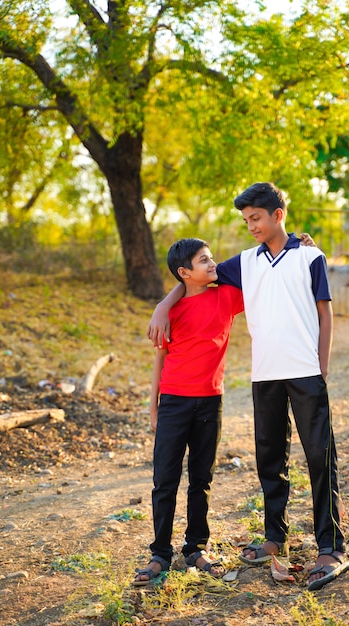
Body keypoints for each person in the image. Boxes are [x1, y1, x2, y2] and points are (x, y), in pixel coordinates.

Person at [147, 182, 349, 592]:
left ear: (279, 214)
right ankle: (276, 537)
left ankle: (330, 547)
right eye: (246, 221)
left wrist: (322, 366)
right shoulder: (244, 262)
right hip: (265, 375)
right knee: (270, 459)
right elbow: (192, 275)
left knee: (318, 456)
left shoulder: (311, 257)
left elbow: (324, 314)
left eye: (256, 218)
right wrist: (163, 305)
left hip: (305, 371)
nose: (251, 226)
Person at [134, 237, 244, 585]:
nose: (213, 264)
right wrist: (153, 405)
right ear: (184, 272)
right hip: (174, 402)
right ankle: (159, 553)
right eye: (204, 261)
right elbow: (160, 358)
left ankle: (196, 547)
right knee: (164, 480)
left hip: (211, 400)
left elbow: (259, 270)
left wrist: (299, 247)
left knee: (202, 478)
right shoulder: (171, 313)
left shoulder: (226, 297)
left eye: (212, 258)